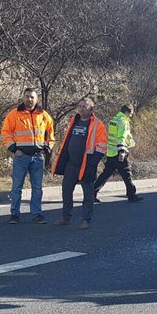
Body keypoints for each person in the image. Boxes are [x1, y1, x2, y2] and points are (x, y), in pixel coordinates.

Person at [1, 87, 54, 224]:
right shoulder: (14, 114)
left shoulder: (43, 115)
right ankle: (15, 214)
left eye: (32, 97)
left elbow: (50, 133)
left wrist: (47, 148)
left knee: (37, 188)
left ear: (36, 99)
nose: (29, 99)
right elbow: (6, 132)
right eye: (27, 96)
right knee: (17, 187)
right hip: (21, 156)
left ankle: (37, 214)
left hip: (37, 157)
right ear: (23, 97)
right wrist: (13, 149)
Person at [52, 97, 107, 229]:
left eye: (85, 106)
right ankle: (66, 217)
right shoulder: (74, 121)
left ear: (91, 109)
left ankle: (85, 220)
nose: (81, 109)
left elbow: (101, 147)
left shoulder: (98, 125)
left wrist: (92, 164)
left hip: (87, 164)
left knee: (88, 193)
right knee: (66, 190)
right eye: (80, 106)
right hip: (71, 163)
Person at [93, 104, 143, 203]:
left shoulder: (114, 120)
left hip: (111, 152)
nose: (131, 116)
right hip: (119, 153)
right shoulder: (124, 122)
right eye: (131, 113)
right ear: (127, 112)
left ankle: (91, 193)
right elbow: (122, 136)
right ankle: (131, 196)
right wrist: (122, 151)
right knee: (127, 174)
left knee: (105, 174)